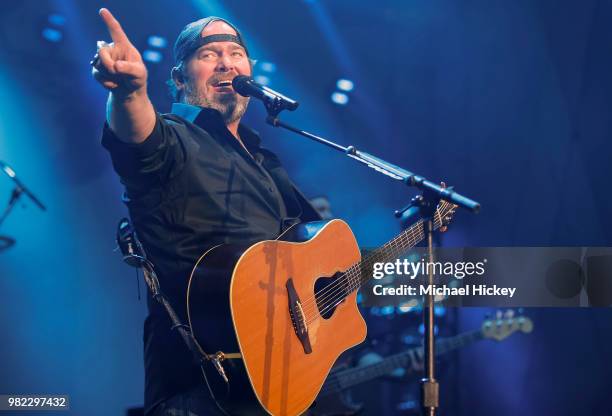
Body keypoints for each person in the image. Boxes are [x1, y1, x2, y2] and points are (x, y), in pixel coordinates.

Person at [92, 8, 321, 416]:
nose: (226, 62)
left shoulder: (265, 161)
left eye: (235, 52)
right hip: (200, 390)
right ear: (180, 78)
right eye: (208, 54)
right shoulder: (174, 138)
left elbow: (301, 268)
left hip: (279, 378)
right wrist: (129, 93)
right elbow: (138, 143)